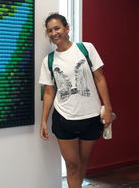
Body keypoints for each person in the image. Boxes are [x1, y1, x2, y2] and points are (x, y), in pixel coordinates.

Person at [39, 13, 113, 188]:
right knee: (72, 165)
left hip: (91, 116)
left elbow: (100, 78)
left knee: (82, 161)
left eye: (57, 28)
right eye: (50, 30)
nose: (54, 33)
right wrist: (43, 120)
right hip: (64, 118)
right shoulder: (48, 60)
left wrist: (108, 108)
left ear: (67, 28)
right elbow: (49, 92)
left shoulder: (86, 49)